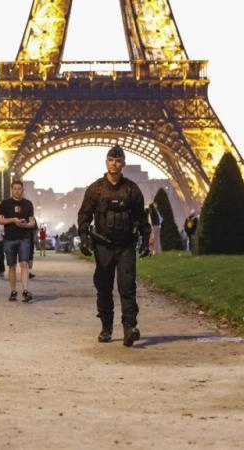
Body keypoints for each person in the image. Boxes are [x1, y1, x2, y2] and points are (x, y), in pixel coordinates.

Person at [77, 145, 151, 347]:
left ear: (123, 164)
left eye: (118, 160)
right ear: (106, 162)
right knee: (104, 288)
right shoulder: (96, 189)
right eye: (111, 160)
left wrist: (145, 241)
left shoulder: (132, 190)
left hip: (126, 245)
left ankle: (129, 328)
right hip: (103, 246)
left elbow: (142, 218)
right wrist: (84, 238)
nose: (114, 163)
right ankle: (106, 327)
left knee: (127, 287)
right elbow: (84, 215)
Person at [0, 180, 36, 302]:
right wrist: (13, 220)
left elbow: (32, 222)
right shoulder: (4, 203)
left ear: (22, 190)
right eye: (15, 188)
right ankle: (13, 291)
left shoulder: (28, 204)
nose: (17, 191)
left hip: (24, 237)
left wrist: (26, 225)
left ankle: (25, 291)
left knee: (24, 264)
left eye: (19, 188)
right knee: (12, 266)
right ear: (11, 190)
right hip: (9, 239)